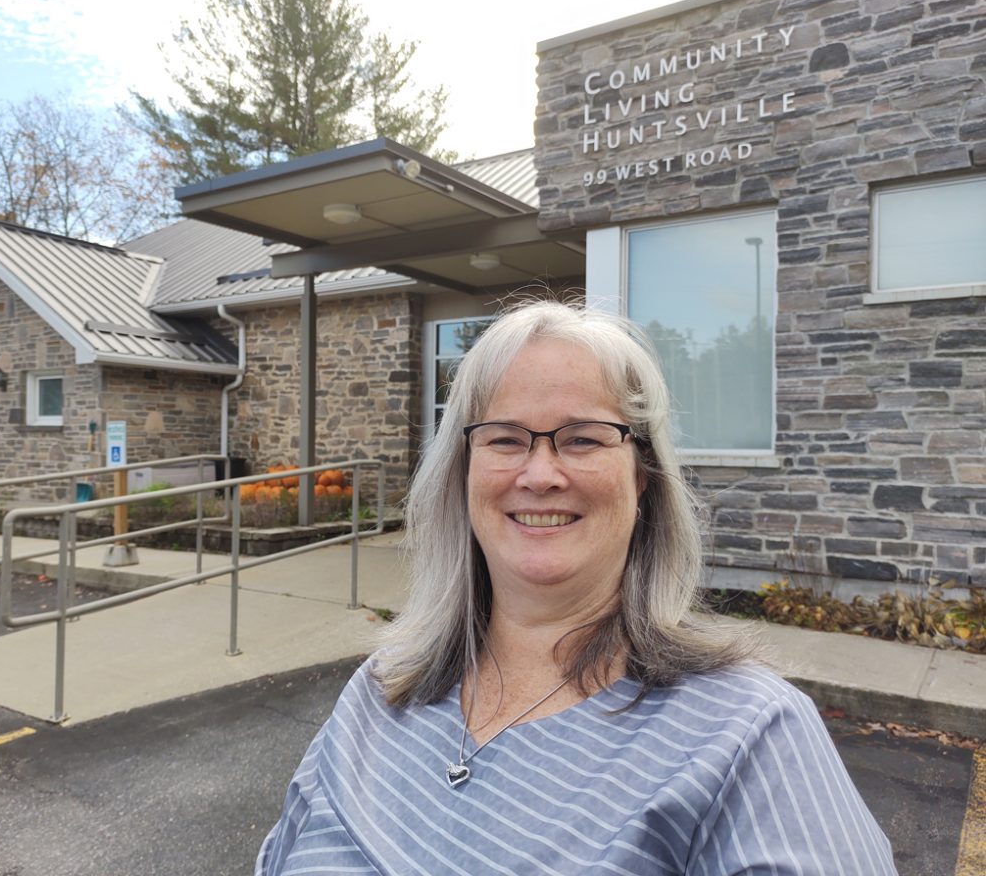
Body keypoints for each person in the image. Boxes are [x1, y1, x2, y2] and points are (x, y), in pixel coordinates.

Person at [256, 300, 896, 875]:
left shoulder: (747, 737)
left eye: (583, 439)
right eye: (504, 438)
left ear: (643, 477)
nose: (539, 474)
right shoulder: (379, 690)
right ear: (463, 471)